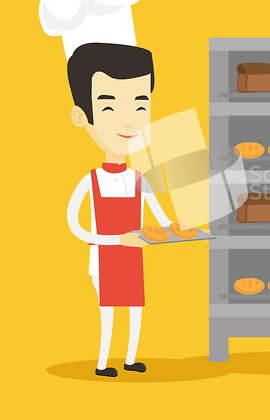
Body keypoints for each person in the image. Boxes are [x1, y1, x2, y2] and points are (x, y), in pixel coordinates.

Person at [67, 42, 172, 377]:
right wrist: (113, 241)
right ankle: (102, 363)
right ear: (82, 116)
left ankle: (130, 358)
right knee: (109, 310)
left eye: (141, 106)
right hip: (106, 258)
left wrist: (177, 225)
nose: (130, 120)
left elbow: (161, 214)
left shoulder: (140, 178)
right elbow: (74, 225)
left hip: (134, 254)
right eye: (109, 107)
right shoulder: (91, 180)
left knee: (137, 308)